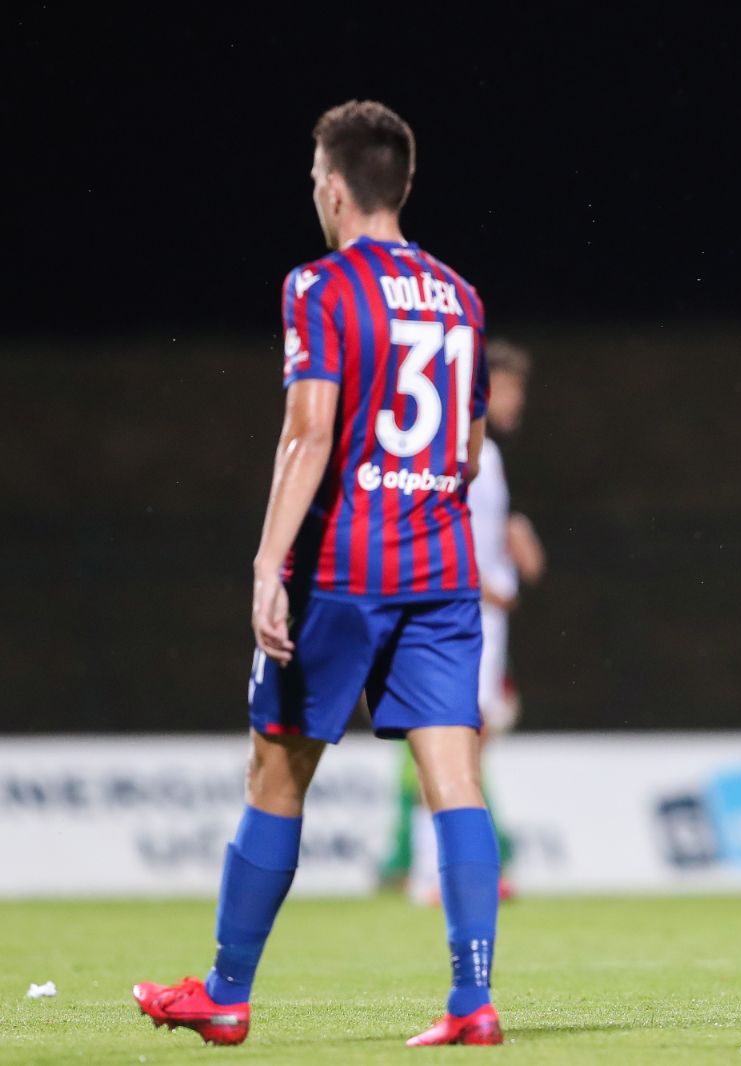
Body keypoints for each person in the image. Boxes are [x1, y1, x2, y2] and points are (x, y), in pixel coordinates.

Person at [133, 100, 503, 1047]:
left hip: (344, 568)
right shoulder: (461, 298)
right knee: (455, 778)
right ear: (403, 184)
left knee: (277, 771)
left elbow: (308, 432)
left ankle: (225, 991)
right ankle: (472, 1001)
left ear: (335, 188)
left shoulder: (321, 287)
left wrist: (269, 562)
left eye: (312, 180)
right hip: (441, 566)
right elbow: (467, 451)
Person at [381, 339, 545, 902]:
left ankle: (449, 871)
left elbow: (474, 529)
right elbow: (430, 524)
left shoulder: (485, 456)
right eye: (512, 389)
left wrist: (511, 539)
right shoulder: (461, 452)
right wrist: (479, 584)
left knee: (466, 745)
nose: (518, 401)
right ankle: (435, 873)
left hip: (480, 619)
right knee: (451, 742)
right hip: (459, 616)